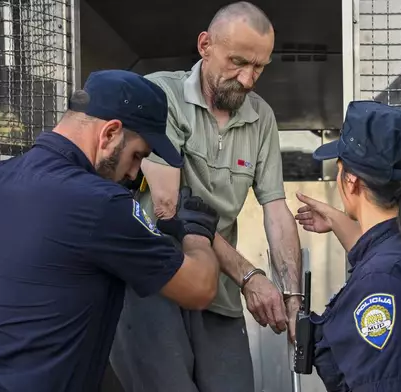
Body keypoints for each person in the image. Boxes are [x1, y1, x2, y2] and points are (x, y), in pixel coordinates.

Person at [0, 70, 222, 392]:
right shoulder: (102, 203)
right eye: (137, 155)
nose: (134, 172)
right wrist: (197, 232)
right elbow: (199, 288)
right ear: (110, 133)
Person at [109, 2, 302, 391]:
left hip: (219, 291)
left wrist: (293, 294)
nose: (248, 79)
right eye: (237, 61)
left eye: (259, 67)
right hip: (156, 282)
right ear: (205, 45)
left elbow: (276, 209)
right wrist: (249, 275)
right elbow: (170, 209)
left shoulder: (261, 117)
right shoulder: (161, 94)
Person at [294, 100, 401, 392]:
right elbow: (373, 252)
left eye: (339, 169)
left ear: (350, 180)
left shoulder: (382, 280)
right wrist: (336, 219)